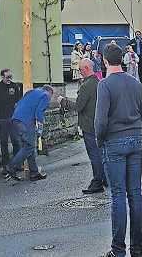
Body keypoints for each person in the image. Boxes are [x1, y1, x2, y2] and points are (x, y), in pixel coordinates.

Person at [95, 42, 142, 257]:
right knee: (135, 194)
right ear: (123, 59)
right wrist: (140, 139)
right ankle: (137, 250)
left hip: (114, 141)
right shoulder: (136, 83)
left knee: (118, 195)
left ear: (105, 61)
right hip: (135, 139)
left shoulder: (105, 85)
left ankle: (118, 250)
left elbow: (100, 121)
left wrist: (101, 142)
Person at [57, 59, 105, 195]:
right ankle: (104, 178)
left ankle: (97, 182)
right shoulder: (99, 83)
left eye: (80, 69)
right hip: (99, 124)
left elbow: (78, 106)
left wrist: (63, 101)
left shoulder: (87, 85)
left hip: (89, 125)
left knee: (94, 155)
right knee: (101, 153)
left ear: (86, 68)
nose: (79, 72)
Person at [4, 85, 53, 182]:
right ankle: (11, 167)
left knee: (29, 146)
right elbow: (39, 111)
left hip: (16, 118)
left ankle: (34, 172)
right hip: (26, 120)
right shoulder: (44, 95)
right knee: (29, 146)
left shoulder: (31, 92)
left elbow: (17, 104)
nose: (49, 99)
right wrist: (40, 127)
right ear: (49, 92)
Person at [0, 69, 21, 171]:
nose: (9, 79)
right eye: (7, 77)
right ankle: (6, 164)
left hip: (13, 117)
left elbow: (18, 99)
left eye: (10, 77)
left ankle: (17, 163)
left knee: (16, 141)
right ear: (2, 77)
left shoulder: (14, 86)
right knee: (4, 142)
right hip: (2, 117)